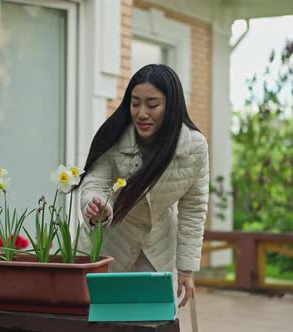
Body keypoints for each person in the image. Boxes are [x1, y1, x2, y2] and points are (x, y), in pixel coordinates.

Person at [79, 64, 209, 309]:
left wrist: (187, 270)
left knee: (152, 319)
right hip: (109, 244)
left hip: (156, 248)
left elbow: (194, 209)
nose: (141, 113)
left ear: (172, 106)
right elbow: (95, 183)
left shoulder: (194, 147)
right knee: (103, 319)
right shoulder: (115, 136)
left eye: (152, 105)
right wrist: (97, 206)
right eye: (135, 103)